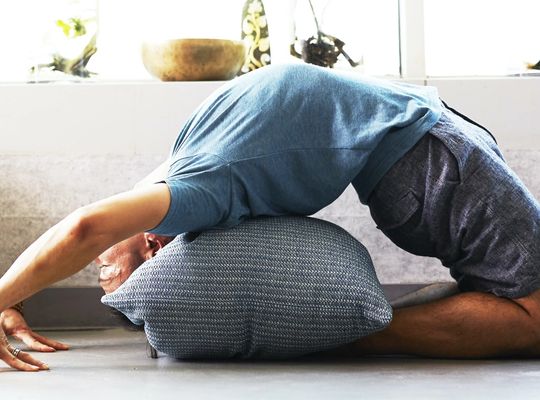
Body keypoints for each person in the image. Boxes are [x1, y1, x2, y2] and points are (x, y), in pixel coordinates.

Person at [1, 63, 539, 372]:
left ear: (154, 243)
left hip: (430, 155)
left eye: (106, 269)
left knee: (528, 308)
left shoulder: (197, 184)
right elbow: (87, 232)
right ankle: (356, 337)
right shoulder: (193, 153)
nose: (102, 274)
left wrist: (4, 294)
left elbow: (82, 226)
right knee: (531, 308)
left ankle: (358, 336)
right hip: (427, 150)